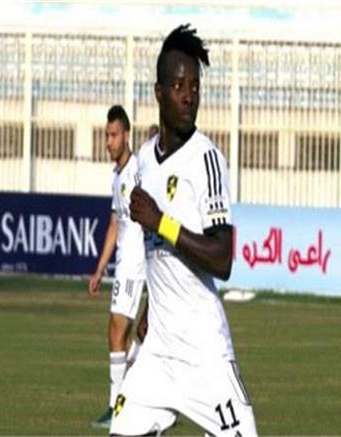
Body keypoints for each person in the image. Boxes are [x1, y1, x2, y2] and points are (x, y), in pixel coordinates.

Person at [111, 24, 257, 436]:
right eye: (179, 86)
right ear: (159, 92)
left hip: (203, 354)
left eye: (195, 86)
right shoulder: (144, 159)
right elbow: (159, 255)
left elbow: (222, 258)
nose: (189, 95)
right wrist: (148, 310)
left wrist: (162, 221)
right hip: (158, 353)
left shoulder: (206, 160)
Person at [88, 104, 146, 429]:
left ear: (126, 135)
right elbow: (114, 225)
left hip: (136, 264)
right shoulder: (117, 177)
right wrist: (100, 269)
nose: (108, 142)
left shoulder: (138, 170)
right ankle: (147, 372)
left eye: (113, 135)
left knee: (115, 329)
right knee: (123, 339)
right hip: (123, 264)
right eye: (106, 135)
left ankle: (116, 407)